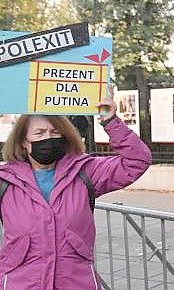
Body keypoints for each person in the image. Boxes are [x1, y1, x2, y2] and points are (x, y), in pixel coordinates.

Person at [0, 89, 152, 290]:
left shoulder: (85, 171)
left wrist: (111, 121)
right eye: (39, 133)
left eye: (55, 132)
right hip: (21, 284)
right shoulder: (5, 181)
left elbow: (137, 160)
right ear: (23, 142)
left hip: (75, 282)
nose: (48, 138)